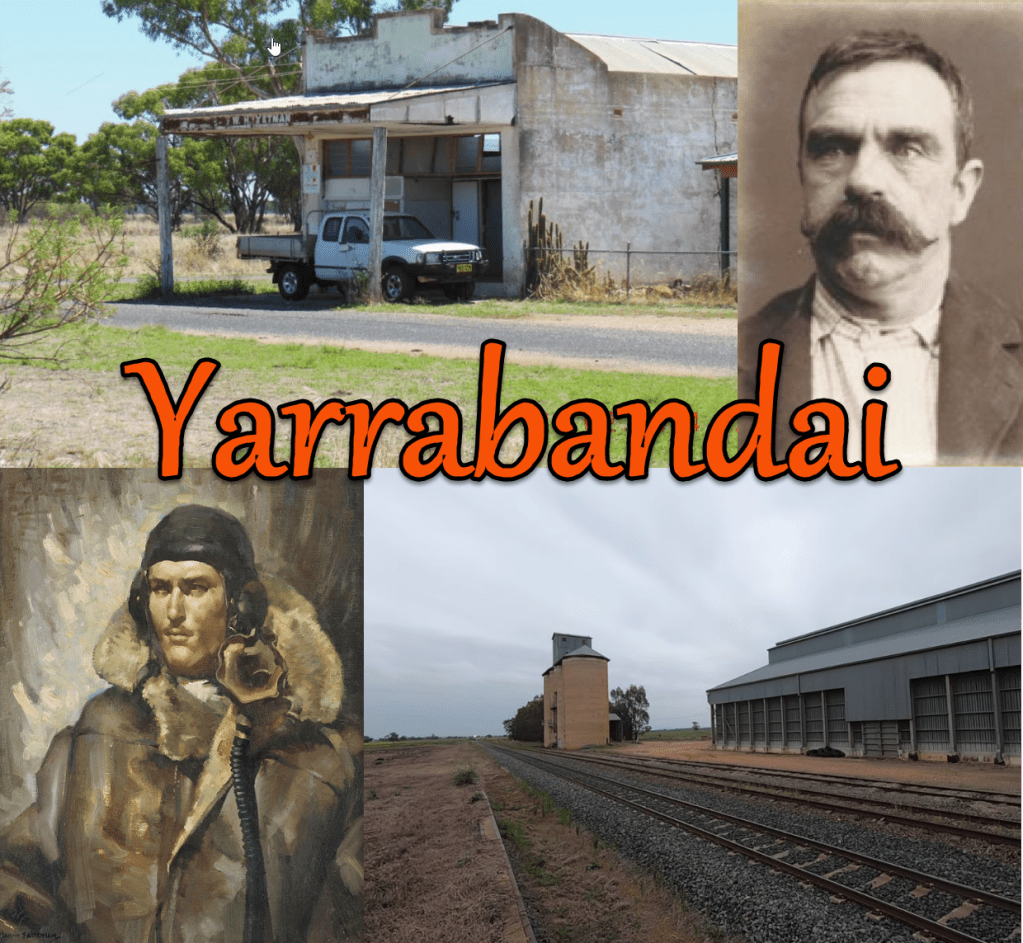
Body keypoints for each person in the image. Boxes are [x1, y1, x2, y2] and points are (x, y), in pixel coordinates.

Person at [0, 505, 363, 943]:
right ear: (142, 601)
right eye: (159, 588)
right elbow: (15, 881)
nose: (173, 612)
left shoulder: (329, 757)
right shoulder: (97, 731)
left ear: (241, 606)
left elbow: (355, 914)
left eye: (194, 588)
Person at [739, 30, 1023, 465]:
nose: (863, 180)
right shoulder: (735, 362)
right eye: (832, 149)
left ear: (961, 191)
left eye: (907, 149)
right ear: (803, 176)